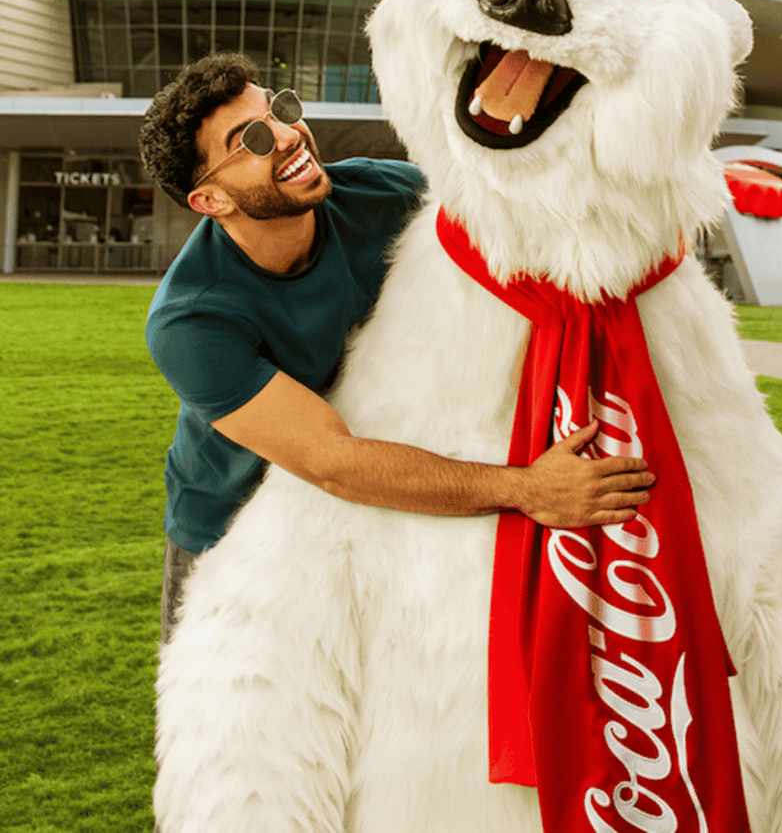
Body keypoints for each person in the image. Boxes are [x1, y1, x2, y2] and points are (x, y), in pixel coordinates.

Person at [139, 54, 655, 641]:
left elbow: (516, 225)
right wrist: (528, 490)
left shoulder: (385, 194)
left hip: (369, 496)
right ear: (210, 201)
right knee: (233, 715)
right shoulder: (191, 320)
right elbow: (332, 461)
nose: (288, 135)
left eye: (279, 109)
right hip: (231, 520)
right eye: (252, 139)